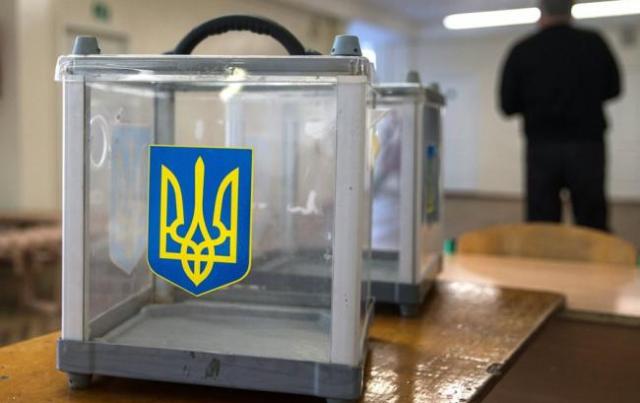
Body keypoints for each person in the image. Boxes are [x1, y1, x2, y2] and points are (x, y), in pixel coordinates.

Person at [499, 0, 621, 231]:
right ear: (571, 12)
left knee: (542, 223)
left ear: (541, 13)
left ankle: (544, 255)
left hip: (541, 146)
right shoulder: (594, 43)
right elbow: (614, 89)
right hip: (588, 144)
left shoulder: (523, 49)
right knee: (592, 219)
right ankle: (595, 255)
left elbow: (507, 106)